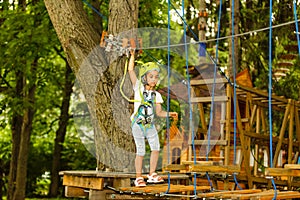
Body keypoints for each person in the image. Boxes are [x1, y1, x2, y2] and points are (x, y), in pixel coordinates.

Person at [128, 51, 178, 187]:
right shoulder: (138, 88)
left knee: (155, 148)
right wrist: (132, 55)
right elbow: (131, 70)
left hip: (150, 125)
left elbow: (159, 112)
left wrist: (170, 114)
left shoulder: (157, 95)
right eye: (151, 77)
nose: (154, 79)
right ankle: (138, 177)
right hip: (138, 124)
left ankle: (151, 173)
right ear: (144, 78)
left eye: (156, 77)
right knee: (141, 150)